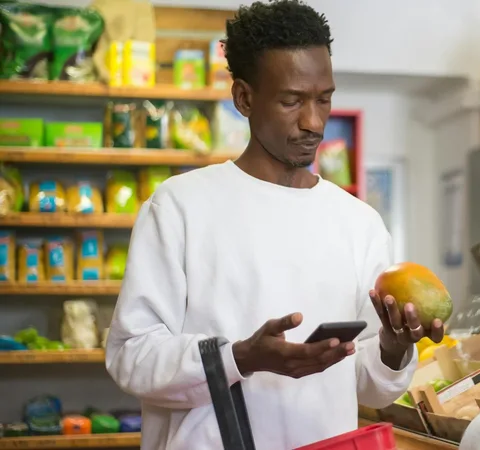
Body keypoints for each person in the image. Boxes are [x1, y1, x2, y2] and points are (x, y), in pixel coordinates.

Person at [104, 1, 446, 448]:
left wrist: (394, 345)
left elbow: (368, 386)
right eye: (292, 100)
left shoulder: (358, 223)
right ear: (244, 97)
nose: (314, 121)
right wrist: (240, 357)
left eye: (324, 98)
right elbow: (131, 356)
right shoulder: (179, 208)